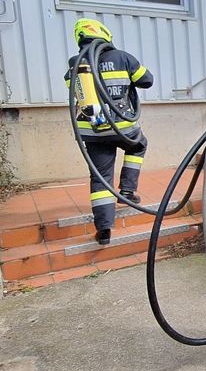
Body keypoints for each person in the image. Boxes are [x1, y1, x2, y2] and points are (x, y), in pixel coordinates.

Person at [65, 19, 153, 246]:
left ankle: (104, 230)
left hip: (92, 131)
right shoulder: (122, 57)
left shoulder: (75, 63)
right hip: (122, 126)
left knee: (100, 176)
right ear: (103, 34)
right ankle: (128, 190)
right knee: (138, 145)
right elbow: (147, 80)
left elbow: (72, 89)